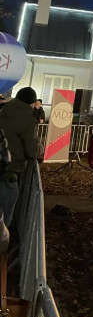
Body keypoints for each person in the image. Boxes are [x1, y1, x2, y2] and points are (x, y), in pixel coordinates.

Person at [0, 87, 39, 226]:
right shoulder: (28, 120)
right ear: (31, 103)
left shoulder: (3, 111)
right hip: (8, 171)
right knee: (5, 211)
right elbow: (31, 151)